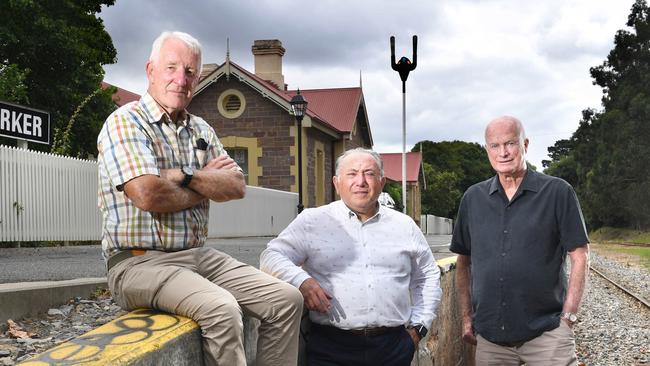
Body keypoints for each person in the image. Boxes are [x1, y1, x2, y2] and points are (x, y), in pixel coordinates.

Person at [97, 31, 303, 366]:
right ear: (151, 70)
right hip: (137, 263)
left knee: (286, 299)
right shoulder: (127, 122)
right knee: (222, 308)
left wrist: (182, 176)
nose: (181, 79)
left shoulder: (201, 130)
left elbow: (236, 187)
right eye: (171, 68)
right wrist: (207, 183)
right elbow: (147, 194)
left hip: (198, 256)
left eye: (190, 72)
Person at [260, 148, 442, 366]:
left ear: (382, 182)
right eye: (352, 173)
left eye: (369, 173)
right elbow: (271, 255)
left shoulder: (404, 225)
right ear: (337, 183)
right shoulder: (313, 221)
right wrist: (302, 281)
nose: (361, 181)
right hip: (331, 348)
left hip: (392, 348)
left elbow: (428, 276)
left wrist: (419, 328)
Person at [450, 116, 590, 365]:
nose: (503, 152)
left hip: (547, 335)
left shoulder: (558, 192)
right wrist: (466, 317)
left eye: (510, 143)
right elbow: (463, 262)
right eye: (495, 146)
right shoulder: (473, 198)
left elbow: (580, 257)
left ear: (525, 145)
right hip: (491, 341)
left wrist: (568, 318)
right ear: (487, 150)